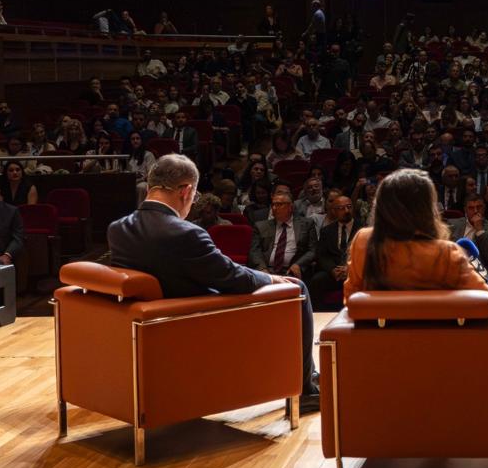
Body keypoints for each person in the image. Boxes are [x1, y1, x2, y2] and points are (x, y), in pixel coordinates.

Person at [109, 155, 318, 413]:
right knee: (298, 289)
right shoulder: (186, 233)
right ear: (186, 191)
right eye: (195, 197)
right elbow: (232, 278)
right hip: (202, 325)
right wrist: (272, 277)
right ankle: (306, 388)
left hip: (155, 332)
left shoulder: (117, 229)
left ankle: (310, 374)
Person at [342, 168, 488, 298]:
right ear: (428, 209)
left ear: (382, 207)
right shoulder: (448, 252)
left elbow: (350, 298)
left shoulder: (363, 241)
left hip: (375, 327)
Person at [250, 186, 316, 278]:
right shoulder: (260, 226)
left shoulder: (307, 224)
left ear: (290, 207)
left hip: (292, 270)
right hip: (267, 270)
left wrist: (298, 264)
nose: (274, 208)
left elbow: (312, 250)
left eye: (279, 204)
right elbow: (254, 251)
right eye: (273, 204)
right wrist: (262, 269)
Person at [308, 194, 359, 304]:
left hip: (355, 271)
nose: (346, 210)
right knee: (316, 280)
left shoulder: (363, 228)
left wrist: (349, 268)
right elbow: (322, 255)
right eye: (341, 208)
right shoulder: (327, 231)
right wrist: (332, 270)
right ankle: (318, 315)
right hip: (334, 272)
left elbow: (367, 255)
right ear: (334, 212)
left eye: (349, 207)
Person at [447, 195, 488, 266]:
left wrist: (480, 230)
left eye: (479, 207)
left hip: (477, 270)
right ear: (465, 210)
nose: (475, 211)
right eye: (471, 208)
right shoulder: (453, 224)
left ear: (484, 208)